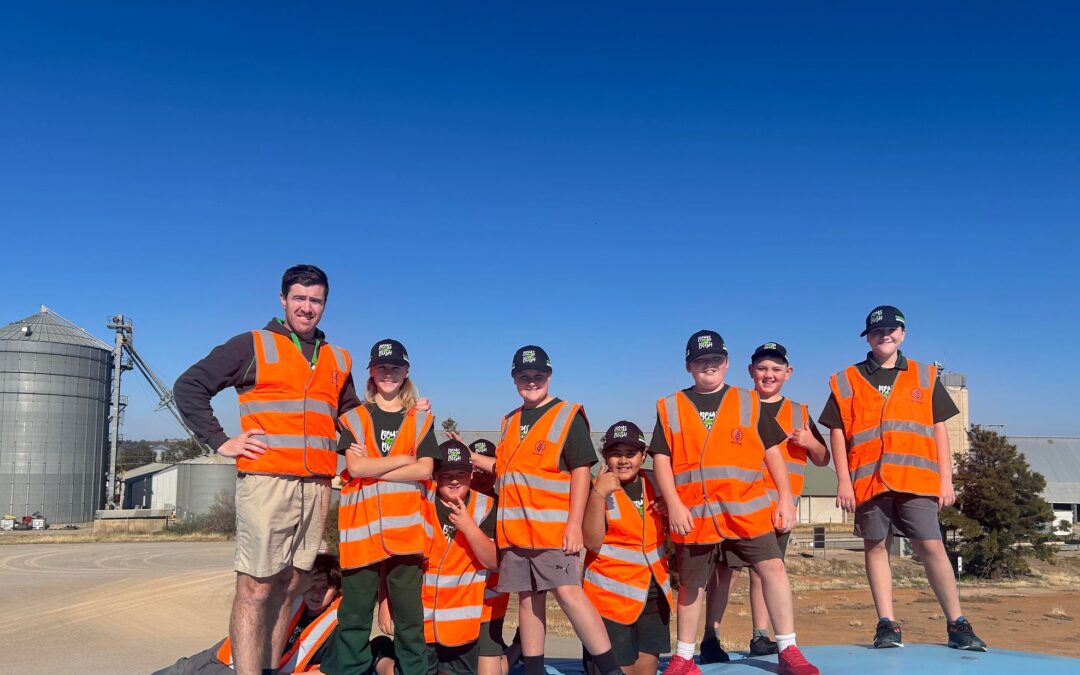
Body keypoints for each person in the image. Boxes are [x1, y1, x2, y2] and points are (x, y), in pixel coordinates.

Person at [174, 264, 353, 675]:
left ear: (325, 304)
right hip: (267, 481)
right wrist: (221, 442)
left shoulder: (337, 358)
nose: (308, 308)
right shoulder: (252, 345)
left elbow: (349, 416)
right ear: (283, 300)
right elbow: (190, 386)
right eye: (300, 299)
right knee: (255, 587)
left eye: (316, 300)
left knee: (291, 585)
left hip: (317, 485)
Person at [820, 305, 987, 651]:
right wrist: (843, 481)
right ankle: (887, 624)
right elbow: (837, 434)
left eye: (892, 330)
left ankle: (958, 623)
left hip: (918, 481)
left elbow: (940, 429)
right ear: (867, 336)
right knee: (875, 547)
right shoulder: (846, 379)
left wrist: (946, 479)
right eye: (878, 331)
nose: (886, 336)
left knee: (931, 546)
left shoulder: (924, 375)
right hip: (868, 483)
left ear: (903, 334)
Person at [650, 330, 818, 675]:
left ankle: (788, 649)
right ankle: (683, 657)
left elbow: (773, 453)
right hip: (694, 513)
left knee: (773, 569)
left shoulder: (749, 401)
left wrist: (785, 499)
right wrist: (674, 504)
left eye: (714, 360)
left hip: (747, 508)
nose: (708, 366)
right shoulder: (670, 407)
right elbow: (662, 460)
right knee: (692, 585)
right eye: (700, 360)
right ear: (688, 366)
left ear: (725, 363)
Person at [469, 345, 625, 675]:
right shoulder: (510, 420)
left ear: (549, 376)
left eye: (538, 375)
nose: (531, 381)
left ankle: (611, 669)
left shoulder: (567, 415)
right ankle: (534, 668)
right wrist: (469, 457)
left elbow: (581, 470)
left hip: (553, 531)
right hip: (515, 533)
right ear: (514, 379)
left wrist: (573, 525)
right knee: (527, 599)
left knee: (570, 595)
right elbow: (509, 469)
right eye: (524, 376)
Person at [699, 343, 830, 661]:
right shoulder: (735, 406)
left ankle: (760, 636)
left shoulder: (800, 413)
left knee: (765, 571)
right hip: (734, 507)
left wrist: (810, 441)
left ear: (788, 373)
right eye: (762, 368)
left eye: (775, 369)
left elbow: (823, 459)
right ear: (750, 371)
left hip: (777, 510)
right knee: (723, 573)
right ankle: (711, 638)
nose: (768, 374)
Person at [329, 339, 441, 675]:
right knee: (353, 617)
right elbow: (356, 469)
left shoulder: (421, 420)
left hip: (406, 536)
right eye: (382, 367)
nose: (388, 374)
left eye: (395, 367)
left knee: (409, 621)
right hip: (361, 533)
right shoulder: (353, 419)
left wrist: (375, 464)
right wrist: (401, 459)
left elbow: (424, 469)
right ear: (371, 373)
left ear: (406, 372)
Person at [153, 554, 342, 675]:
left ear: (336, 590)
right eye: (312, 586)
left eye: (325, 588)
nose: (317, 593)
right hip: (221, 654)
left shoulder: (336, 625)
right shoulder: (289, 595)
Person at [582, 421, 672, 675]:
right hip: (610, 598)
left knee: (647, 669)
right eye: (615, 454)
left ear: (643, 456)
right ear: (605, 457)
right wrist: (598, 495)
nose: (623, 461)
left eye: (630, 454)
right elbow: (591, 541)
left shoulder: (657, 483)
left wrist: (669, 507)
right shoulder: (594, 488)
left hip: (653, 594)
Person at [422, 439, 503, 675]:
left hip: (462, 625)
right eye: (447, 474)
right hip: (421, 621)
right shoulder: (422, 502)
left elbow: (493, 561)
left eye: (461, 473)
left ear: (470, 475)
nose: (454, 479)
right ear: (435, 476)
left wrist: (469, 527)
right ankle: (381, 657)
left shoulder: (486, 507)